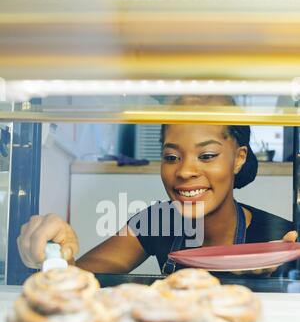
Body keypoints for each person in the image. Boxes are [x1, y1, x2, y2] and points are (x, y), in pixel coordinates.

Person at [17, 96, 297, 278]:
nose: (185, 171)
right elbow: (80, 278)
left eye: (207, 156)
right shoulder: (156, 222)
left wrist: (282, 274)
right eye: (171, 157)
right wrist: (53, 252)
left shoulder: (277, 239)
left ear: (238, 159)